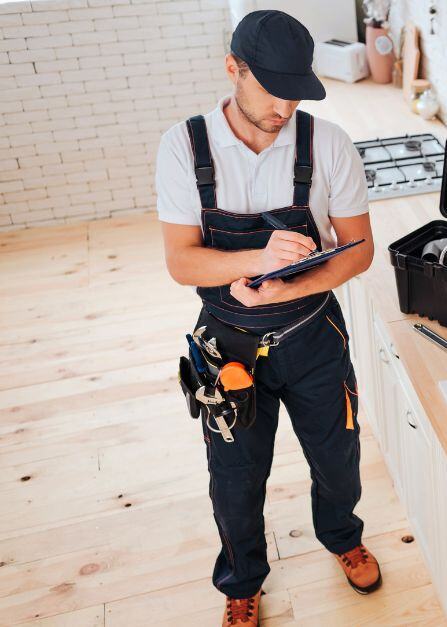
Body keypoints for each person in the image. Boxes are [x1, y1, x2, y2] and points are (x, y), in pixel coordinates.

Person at [155, 10, 378, 626]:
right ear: (234, 69)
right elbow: (181, 262)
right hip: (227, 345)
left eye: (296, 90)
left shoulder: (326, 144)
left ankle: (342, 537)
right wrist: (257, 259)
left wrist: (283, 291)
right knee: (235, 475)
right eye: (271, 88)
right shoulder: (186, 147)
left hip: (313, 337)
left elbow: (358, 249)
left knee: (338, 458)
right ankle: (242, 579)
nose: (285, 107)